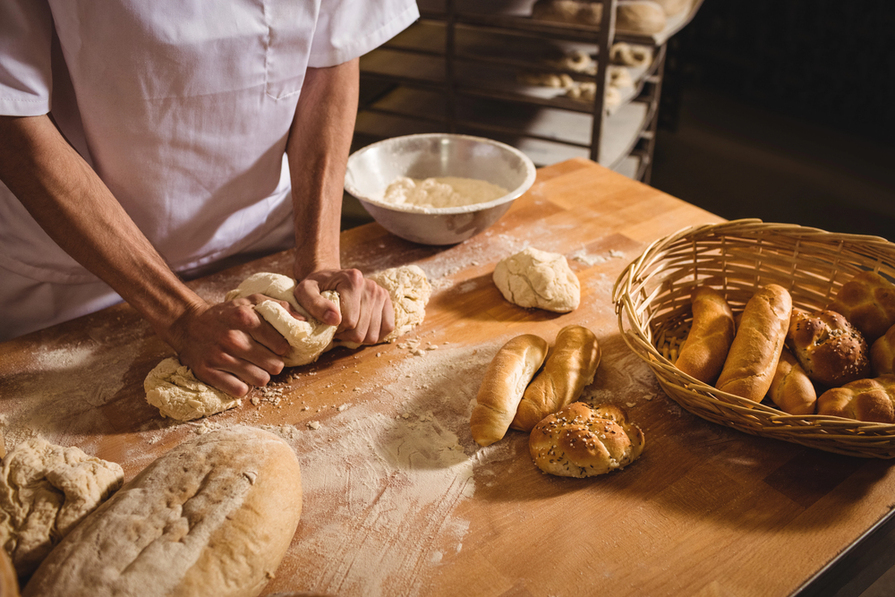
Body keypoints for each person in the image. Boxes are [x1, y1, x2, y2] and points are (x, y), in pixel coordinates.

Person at [0, 0, 420, 397]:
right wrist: (180, 316)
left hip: (264, 243)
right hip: (75, 275)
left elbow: (332, 54)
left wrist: (320, 260)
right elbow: (13, 120)